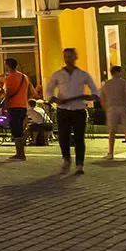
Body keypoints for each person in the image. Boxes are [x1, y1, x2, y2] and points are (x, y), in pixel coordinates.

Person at [45, 47, 99, 175]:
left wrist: (93, 96)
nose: (68, 59)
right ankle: (66, 159)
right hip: (63, 110)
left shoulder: (83, 74)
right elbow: (49, 90)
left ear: (75, 57)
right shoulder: (58, 74)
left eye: (70, 56)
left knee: (79, 138)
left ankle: (79, 164)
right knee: (63, 137)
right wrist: (54, 99)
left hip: (79, 109)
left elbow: (95, 89)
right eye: (65, 57)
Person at [0, 57, 34, 161]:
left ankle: (20, 154)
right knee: (20, 129)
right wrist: (24, 99)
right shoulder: (24, 77)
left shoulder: (10, 78)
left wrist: (4, 99)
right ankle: (20, 153)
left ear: (7, 66)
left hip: (13, 106)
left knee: (16, 130)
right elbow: (31, 91)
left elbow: (9, 92)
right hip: (23, 106)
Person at [100, 64, 126, 162]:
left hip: (111, 108)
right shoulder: (123, 83)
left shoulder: (106, 84)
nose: (122, 73)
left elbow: (102, 98)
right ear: (117, 72)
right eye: (121, 71)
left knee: (111, 132)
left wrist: (106, 108)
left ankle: (110, 153)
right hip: (123, 107)